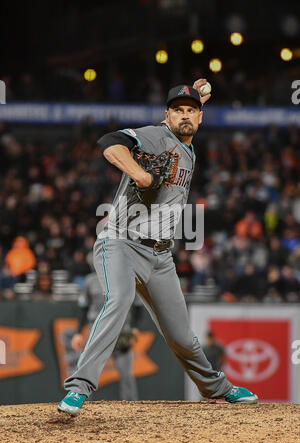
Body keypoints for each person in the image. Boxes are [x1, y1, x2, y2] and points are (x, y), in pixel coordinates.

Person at [58, 79, 258, 416]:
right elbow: (110, 143)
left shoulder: (186, 140)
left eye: (191, 112)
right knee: (118, 300)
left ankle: (218, 388)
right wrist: (141, 175)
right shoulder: (157, 135)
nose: (184, 116)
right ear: (165, 115)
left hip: (159, 256)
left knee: (181, 335)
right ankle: (78, 388)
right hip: (119, 243)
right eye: (177, 110)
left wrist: (196, 98)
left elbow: (189, 114)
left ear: (200, 117)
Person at [71, 268, 139, 401]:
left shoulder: (127, 277)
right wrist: (78, 332)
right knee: (86, 371)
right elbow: (83, 308)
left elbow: (138, 305)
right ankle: (81, 405)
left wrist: (135, 327)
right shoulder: (90, 280)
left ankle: (132, 409)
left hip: (121, 330)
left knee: (126, 374)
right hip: (97, 331)